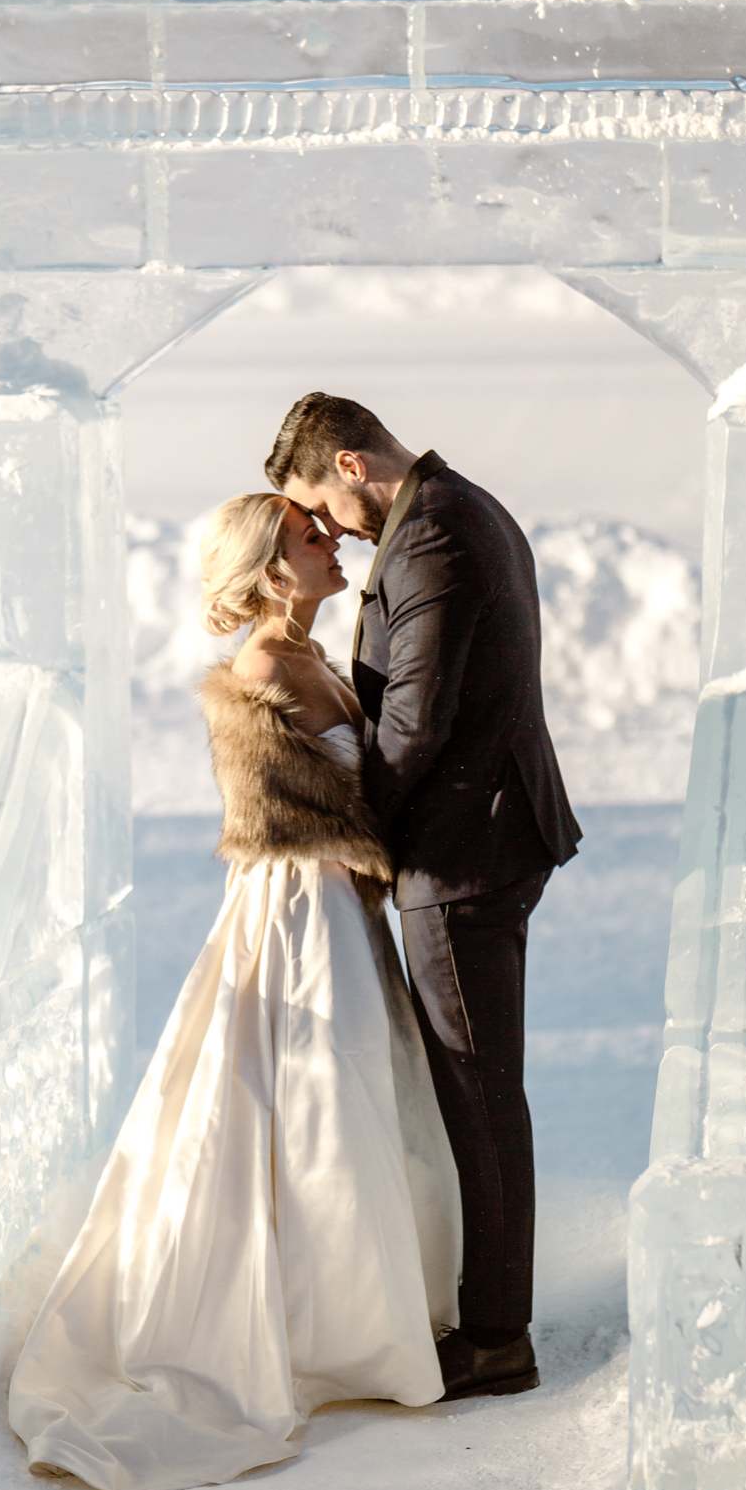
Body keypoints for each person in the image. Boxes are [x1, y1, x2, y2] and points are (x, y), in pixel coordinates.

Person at [8, 493, 462, 1490]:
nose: (331, 541)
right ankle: (314, 1325)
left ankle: (351, 1313)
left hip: (340, 896)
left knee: (347, 1104)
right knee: (312, 1104)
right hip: (301, 907)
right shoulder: (261, 670)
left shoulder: (311, 653)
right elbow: (280, 816)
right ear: (268, 571)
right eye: (309, 537)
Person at [266, 393, 583, 1402]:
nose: (333, 531)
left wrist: (357, 832)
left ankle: (496, 1337)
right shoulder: (459, 508)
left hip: (464, 850)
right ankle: (492, 1318)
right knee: (481, 1086)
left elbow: (415, 718)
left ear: (353, 464)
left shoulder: (434, 533)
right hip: (488, 833)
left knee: (479, 1092)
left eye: (323, 502)